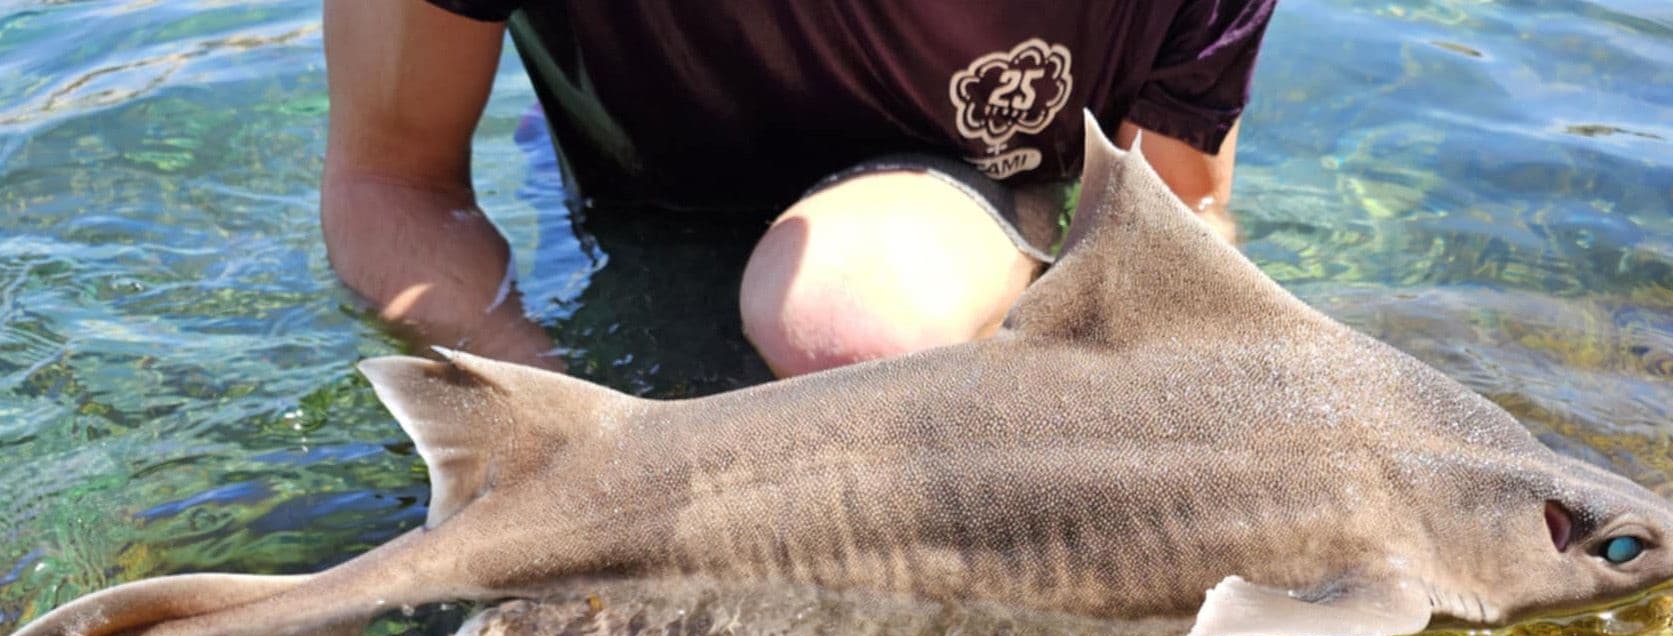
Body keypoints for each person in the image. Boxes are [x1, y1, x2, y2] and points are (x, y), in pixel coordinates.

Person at [320, 0, 1277, 376]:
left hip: (954, 216)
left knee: (844, 316)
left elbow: (1165, 226)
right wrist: (543, 402)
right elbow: (390, 177)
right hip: (637, 192)